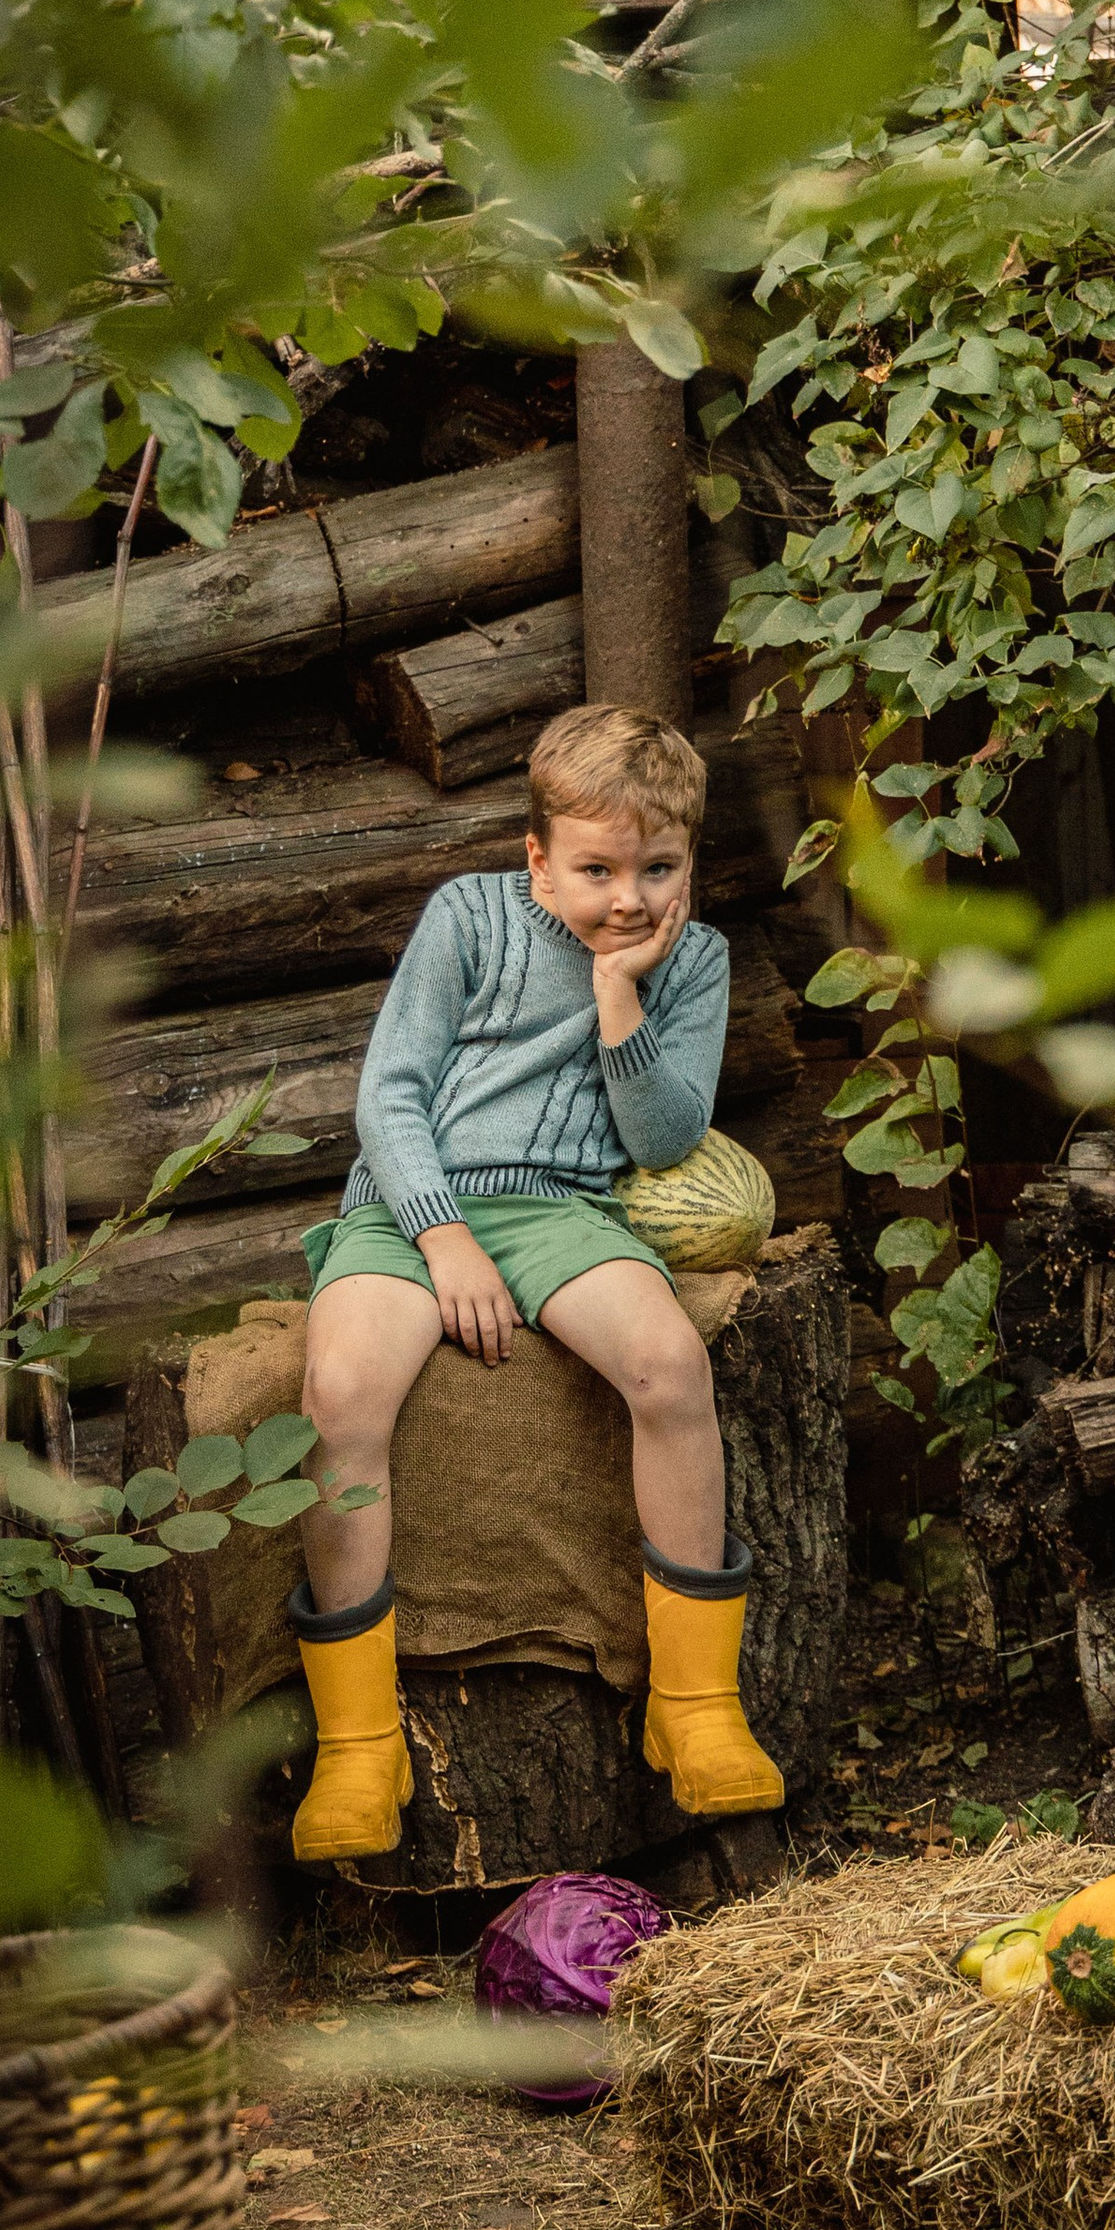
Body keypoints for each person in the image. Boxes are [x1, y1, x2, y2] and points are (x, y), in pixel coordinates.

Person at [281, 701, 781, 1860]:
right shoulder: (467, 916)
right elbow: (389, 1094)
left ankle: (695, 1710)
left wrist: (623, 1000)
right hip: (414, 1205)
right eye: (597, 868)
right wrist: (440, 1235)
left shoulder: (690, 962)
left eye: (659, 868)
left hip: (563, 1209)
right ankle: (358, 1744)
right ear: (537, 857)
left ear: (689, 862)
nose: (629, 897)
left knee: (667, 1366)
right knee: (343, 1395)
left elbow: (661, 1140)